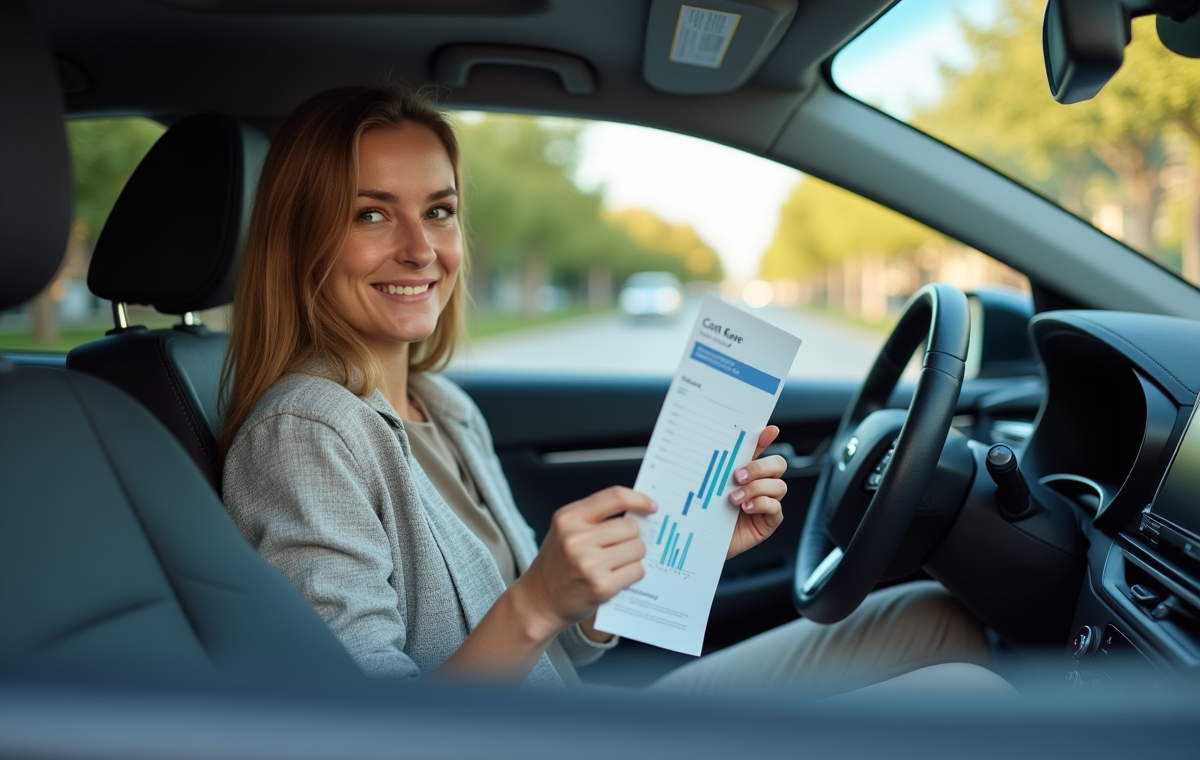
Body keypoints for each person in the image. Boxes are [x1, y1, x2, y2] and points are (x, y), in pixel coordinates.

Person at [220, 86, 1004, 697]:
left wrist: (684, 548)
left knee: (931, 617)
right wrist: (534, 600)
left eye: (440, 211)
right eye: (371, 214)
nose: (421, 248)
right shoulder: (305, 432)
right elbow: (362, 744)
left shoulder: (443, 407)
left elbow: (557, 648)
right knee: (970, 698)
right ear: (302, 237)